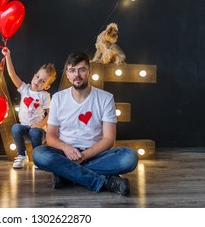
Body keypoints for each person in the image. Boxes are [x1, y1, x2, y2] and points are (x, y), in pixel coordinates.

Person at [32, 52, 138, 196]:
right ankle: (105, 182)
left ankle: (66, 174)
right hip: (64, 154)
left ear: (89, 72)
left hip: (95, 153)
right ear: (68, 75)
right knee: (39, 154)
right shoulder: (58, 98)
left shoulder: (106, 98)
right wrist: (66, 148)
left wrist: (84, 155)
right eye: (72, 70)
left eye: (82, 69)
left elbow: (109, 139)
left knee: (129, 157)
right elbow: (50, 136)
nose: (77, 74)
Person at [2, 47, 57, 169]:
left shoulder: (45, 95)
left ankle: (38, 158)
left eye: (43, 81)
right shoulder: (25, 89)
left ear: (47, 86)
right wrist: (8, 56)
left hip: (37, 128)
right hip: (24, 126)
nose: (38, 81)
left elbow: (51, 114)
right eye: (38, 77)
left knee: (35, 132)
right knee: (15, 128)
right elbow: (12, 74)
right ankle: (22, 155)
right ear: (34, 75)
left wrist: (40, 124)